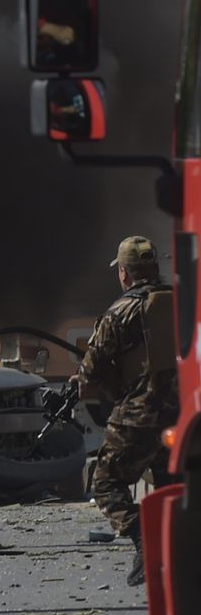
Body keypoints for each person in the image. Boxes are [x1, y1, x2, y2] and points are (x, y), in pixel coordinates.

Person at [77, 236, 179, 586]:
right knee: (171, 485)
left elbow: (90, 371)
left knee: (105, 482)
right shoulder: (182, 303)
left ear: (123, 273)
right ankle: (174, 552)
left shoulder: (120, 311)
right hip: (182, 416)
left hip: (140, 413)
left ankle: (144, 543)